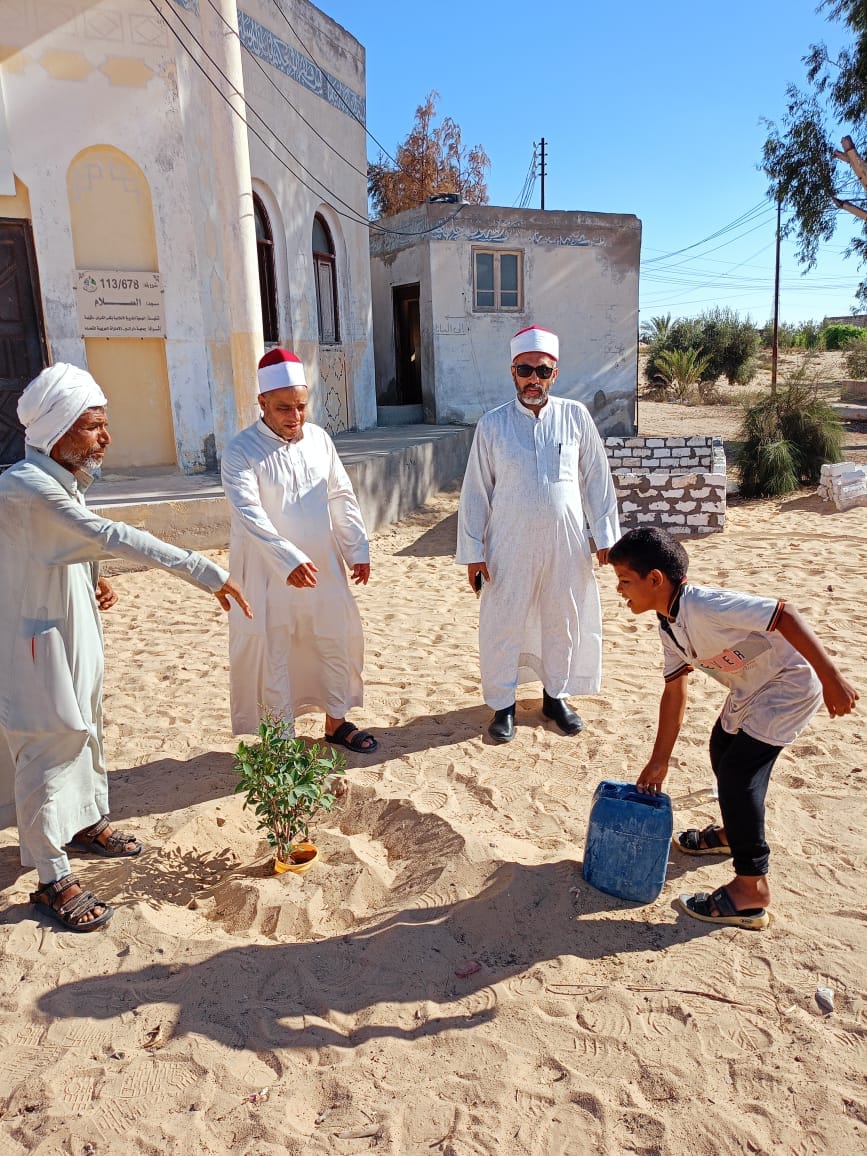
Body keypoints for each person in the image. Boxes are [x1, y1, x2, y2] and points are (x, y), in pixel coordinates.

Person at [0, 364, 252, 933]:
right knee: (48, 747)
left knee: (87, 728)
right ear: (57, 431)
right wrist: (205, 571)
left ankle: (85, 824)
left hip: (69, 633)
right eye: (93, 427)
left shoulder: (57, 482)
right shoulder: (26, 487)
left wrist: (90, 577)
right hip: (34, 649)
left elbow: (71, 542)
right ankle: (51, 877)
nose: (105, 439)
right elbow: (109, 535)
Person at [608, 526, 859, 930]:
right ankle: (731, 833)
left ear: (655, 579)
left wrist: (832, 678)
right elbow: (674, 692)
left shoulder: (705, 605)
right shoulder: (668, 624)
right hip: (750, 687)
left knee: (740, 772)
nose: (620, 591)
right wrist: (659, 762)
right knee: (721, 749)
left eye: (624, 581)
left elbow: (784, 614)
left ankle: (750, 888)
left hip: (789, 684)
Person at [456, 325, 621, 743]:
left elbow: (596, 478)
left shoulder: (576, 416)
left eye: (542, 371)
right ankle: (503, 705)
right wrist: (474, 550)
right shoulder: (492, 425)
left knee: (563, 617)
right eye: (525, 370)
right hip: (507, 542)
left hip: (567, 541)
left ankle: (556, 696)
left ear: (555, 373)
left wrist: (605, 537)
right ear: (512, 372)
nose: (534, 378)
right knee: (503, 620)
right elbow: (476, 491)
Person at [221, 348, 377, 754]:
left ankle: (336, 723)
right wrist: (287, 560)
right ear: (262, 404)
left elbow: (340, 494)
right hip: (269, 575)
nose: (294, 416)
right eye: (283, 407)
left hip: (323, 568)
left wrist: (356, 548)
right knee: (276, 650)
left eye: (301, 406)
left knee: (334, 638)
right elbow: (249, 514)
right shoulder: (240, 450)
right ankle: (281, 740)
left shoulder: (320, 440)